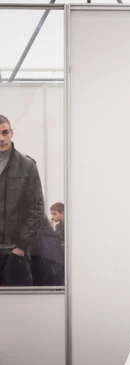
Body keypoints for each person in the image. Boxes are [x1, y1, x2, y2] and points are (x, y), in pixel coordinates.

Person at [0, 115, 45, 286]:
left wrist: (21, 248)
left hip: (16, 253)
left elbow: (37, 209)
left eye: (5, 132)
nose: (1, 138)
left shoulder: (27, 166)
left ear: (12, 132)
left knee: (19, 309)